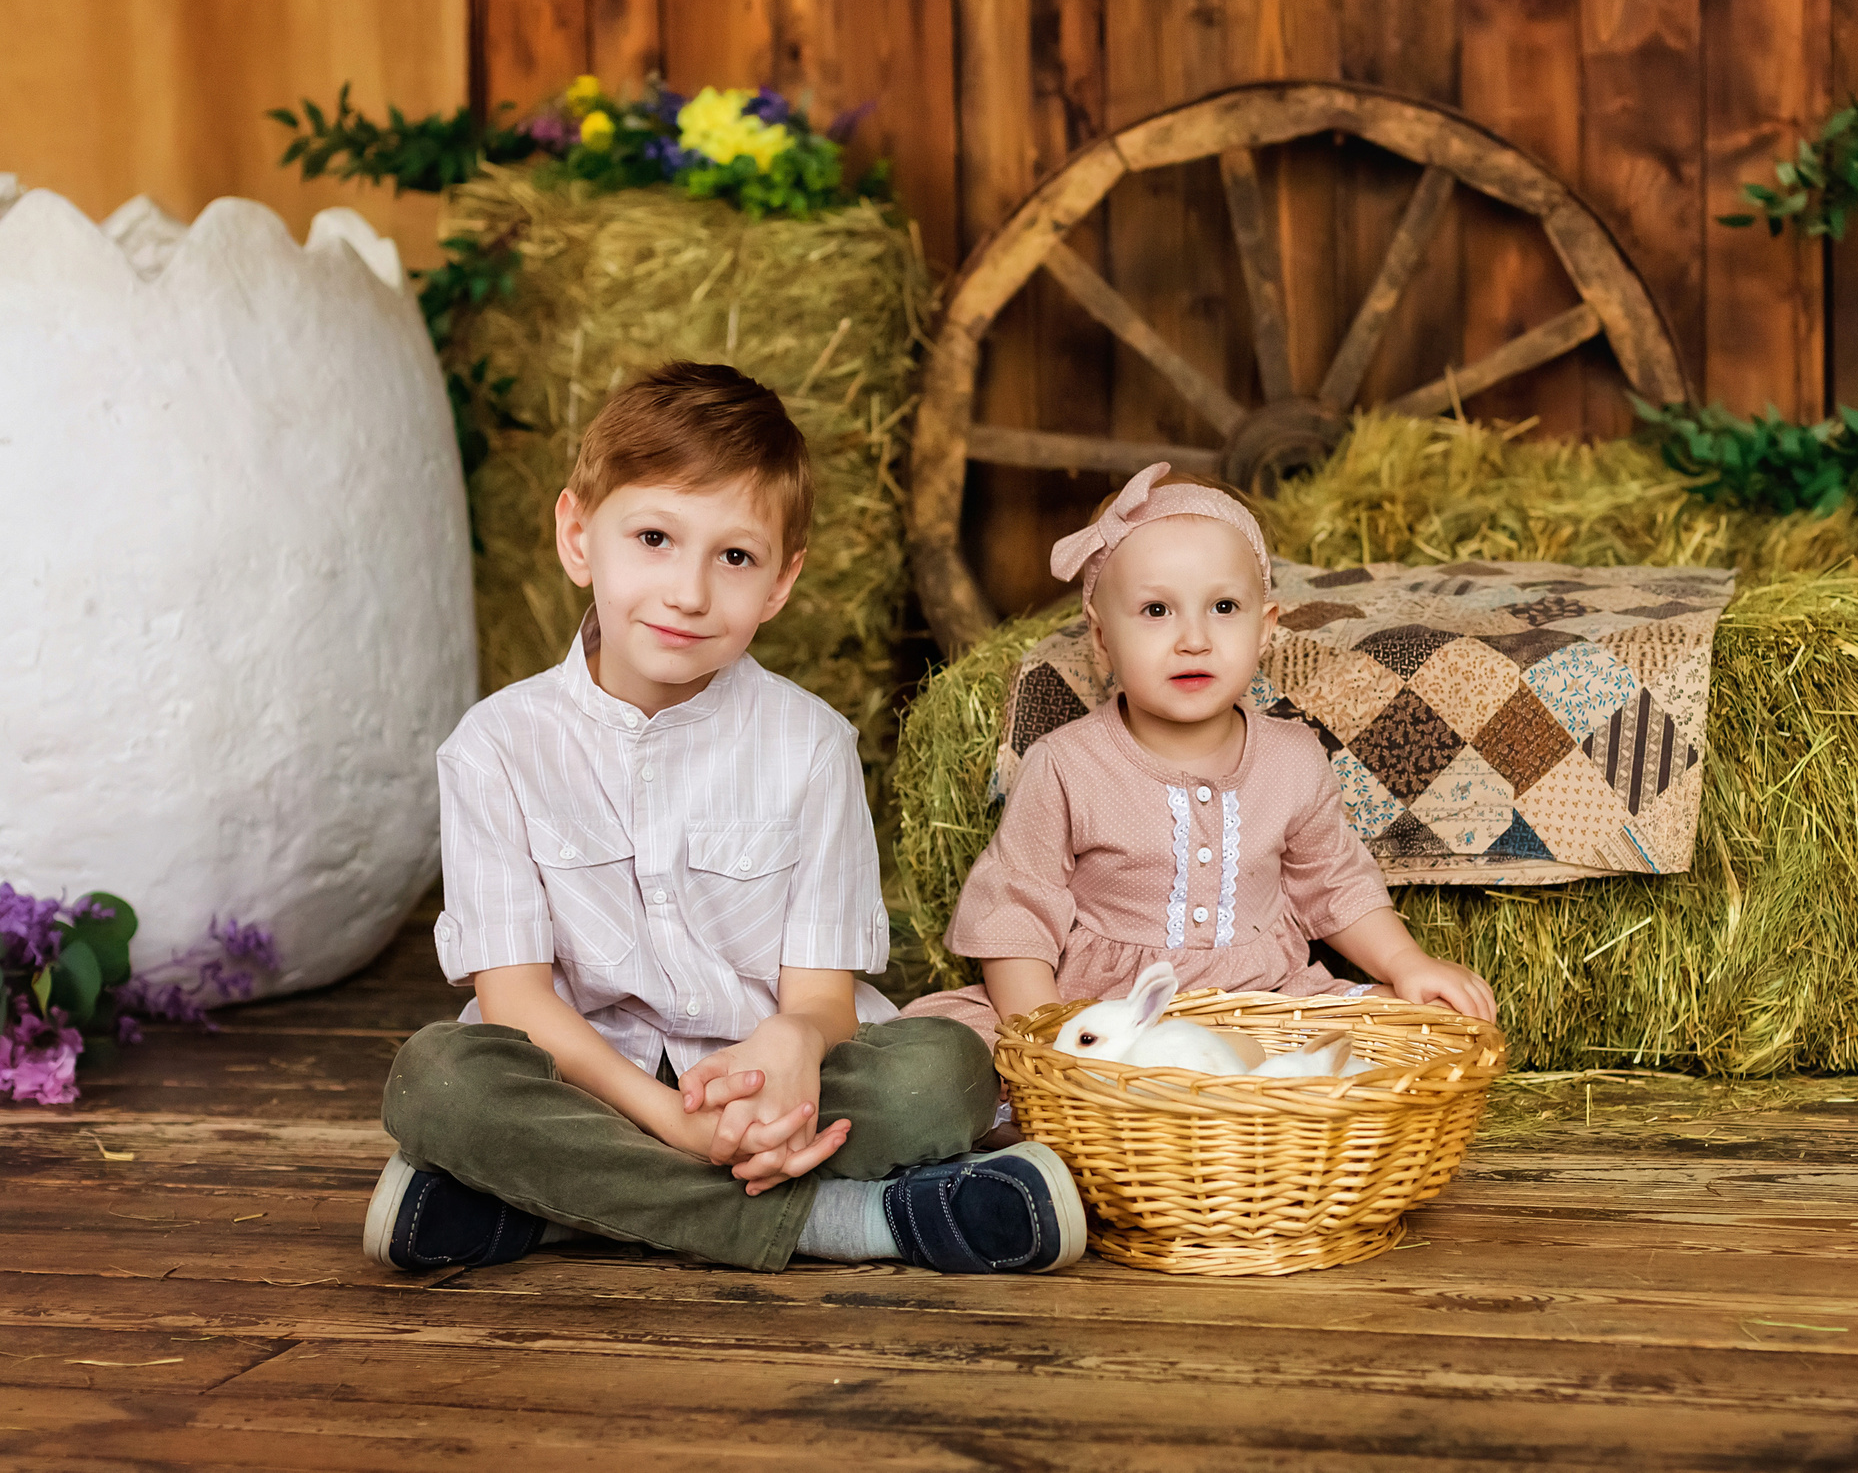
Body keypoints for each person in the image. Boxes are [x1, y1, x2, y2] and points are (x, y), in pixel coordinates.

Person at [366, 361, 1082, 1276]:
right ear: (578, 538)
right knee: (441, 1082)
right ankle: (855, 1221)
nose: (690, 592)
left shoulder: (811, 745)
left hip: (777, 1084)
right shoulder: (494, 747)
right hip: (590, 1079)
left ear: (780, 583)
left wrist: (790, 1045)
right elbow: (516, 1003)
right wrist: (671, 1120)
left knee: (944, 1074)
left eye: (734, 557)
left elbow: (820, 1002)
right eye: (654, 538)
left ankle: (551, 1207)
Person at [904, 463, 1497, 1043]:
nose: (1194, 640)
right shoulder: (1068, 766)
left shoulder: (1293, 760)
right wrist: (1051, 1042)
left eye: (1224, 608)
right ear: (1102, 638)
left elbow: (1334, 883)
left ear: (1265, 627)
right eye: (1156, 610)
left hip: (1262, 1006)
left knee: (1433, 1024)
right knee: (956, 1051)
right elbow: (1017, 915)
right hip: (1110, 1016)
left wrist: (1406, 963)